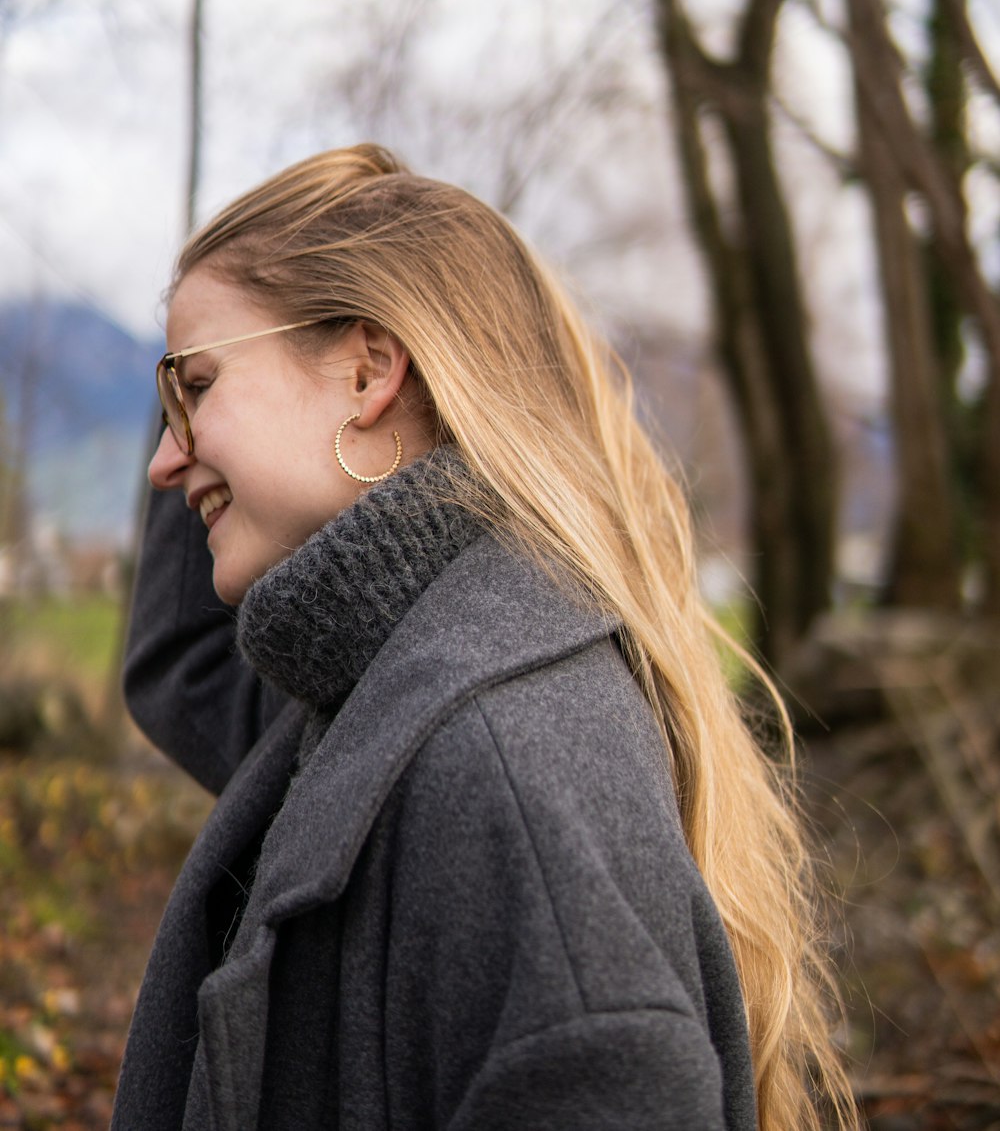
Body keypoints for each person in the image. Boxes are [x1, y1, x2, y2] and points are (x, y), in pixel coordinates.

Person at [113, 144, 857, 1131]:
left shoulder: (503, 756)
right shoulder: (380, 689)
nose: (166, 461)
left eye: (195, 389)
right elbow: (189, 665)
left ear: (370, 370)